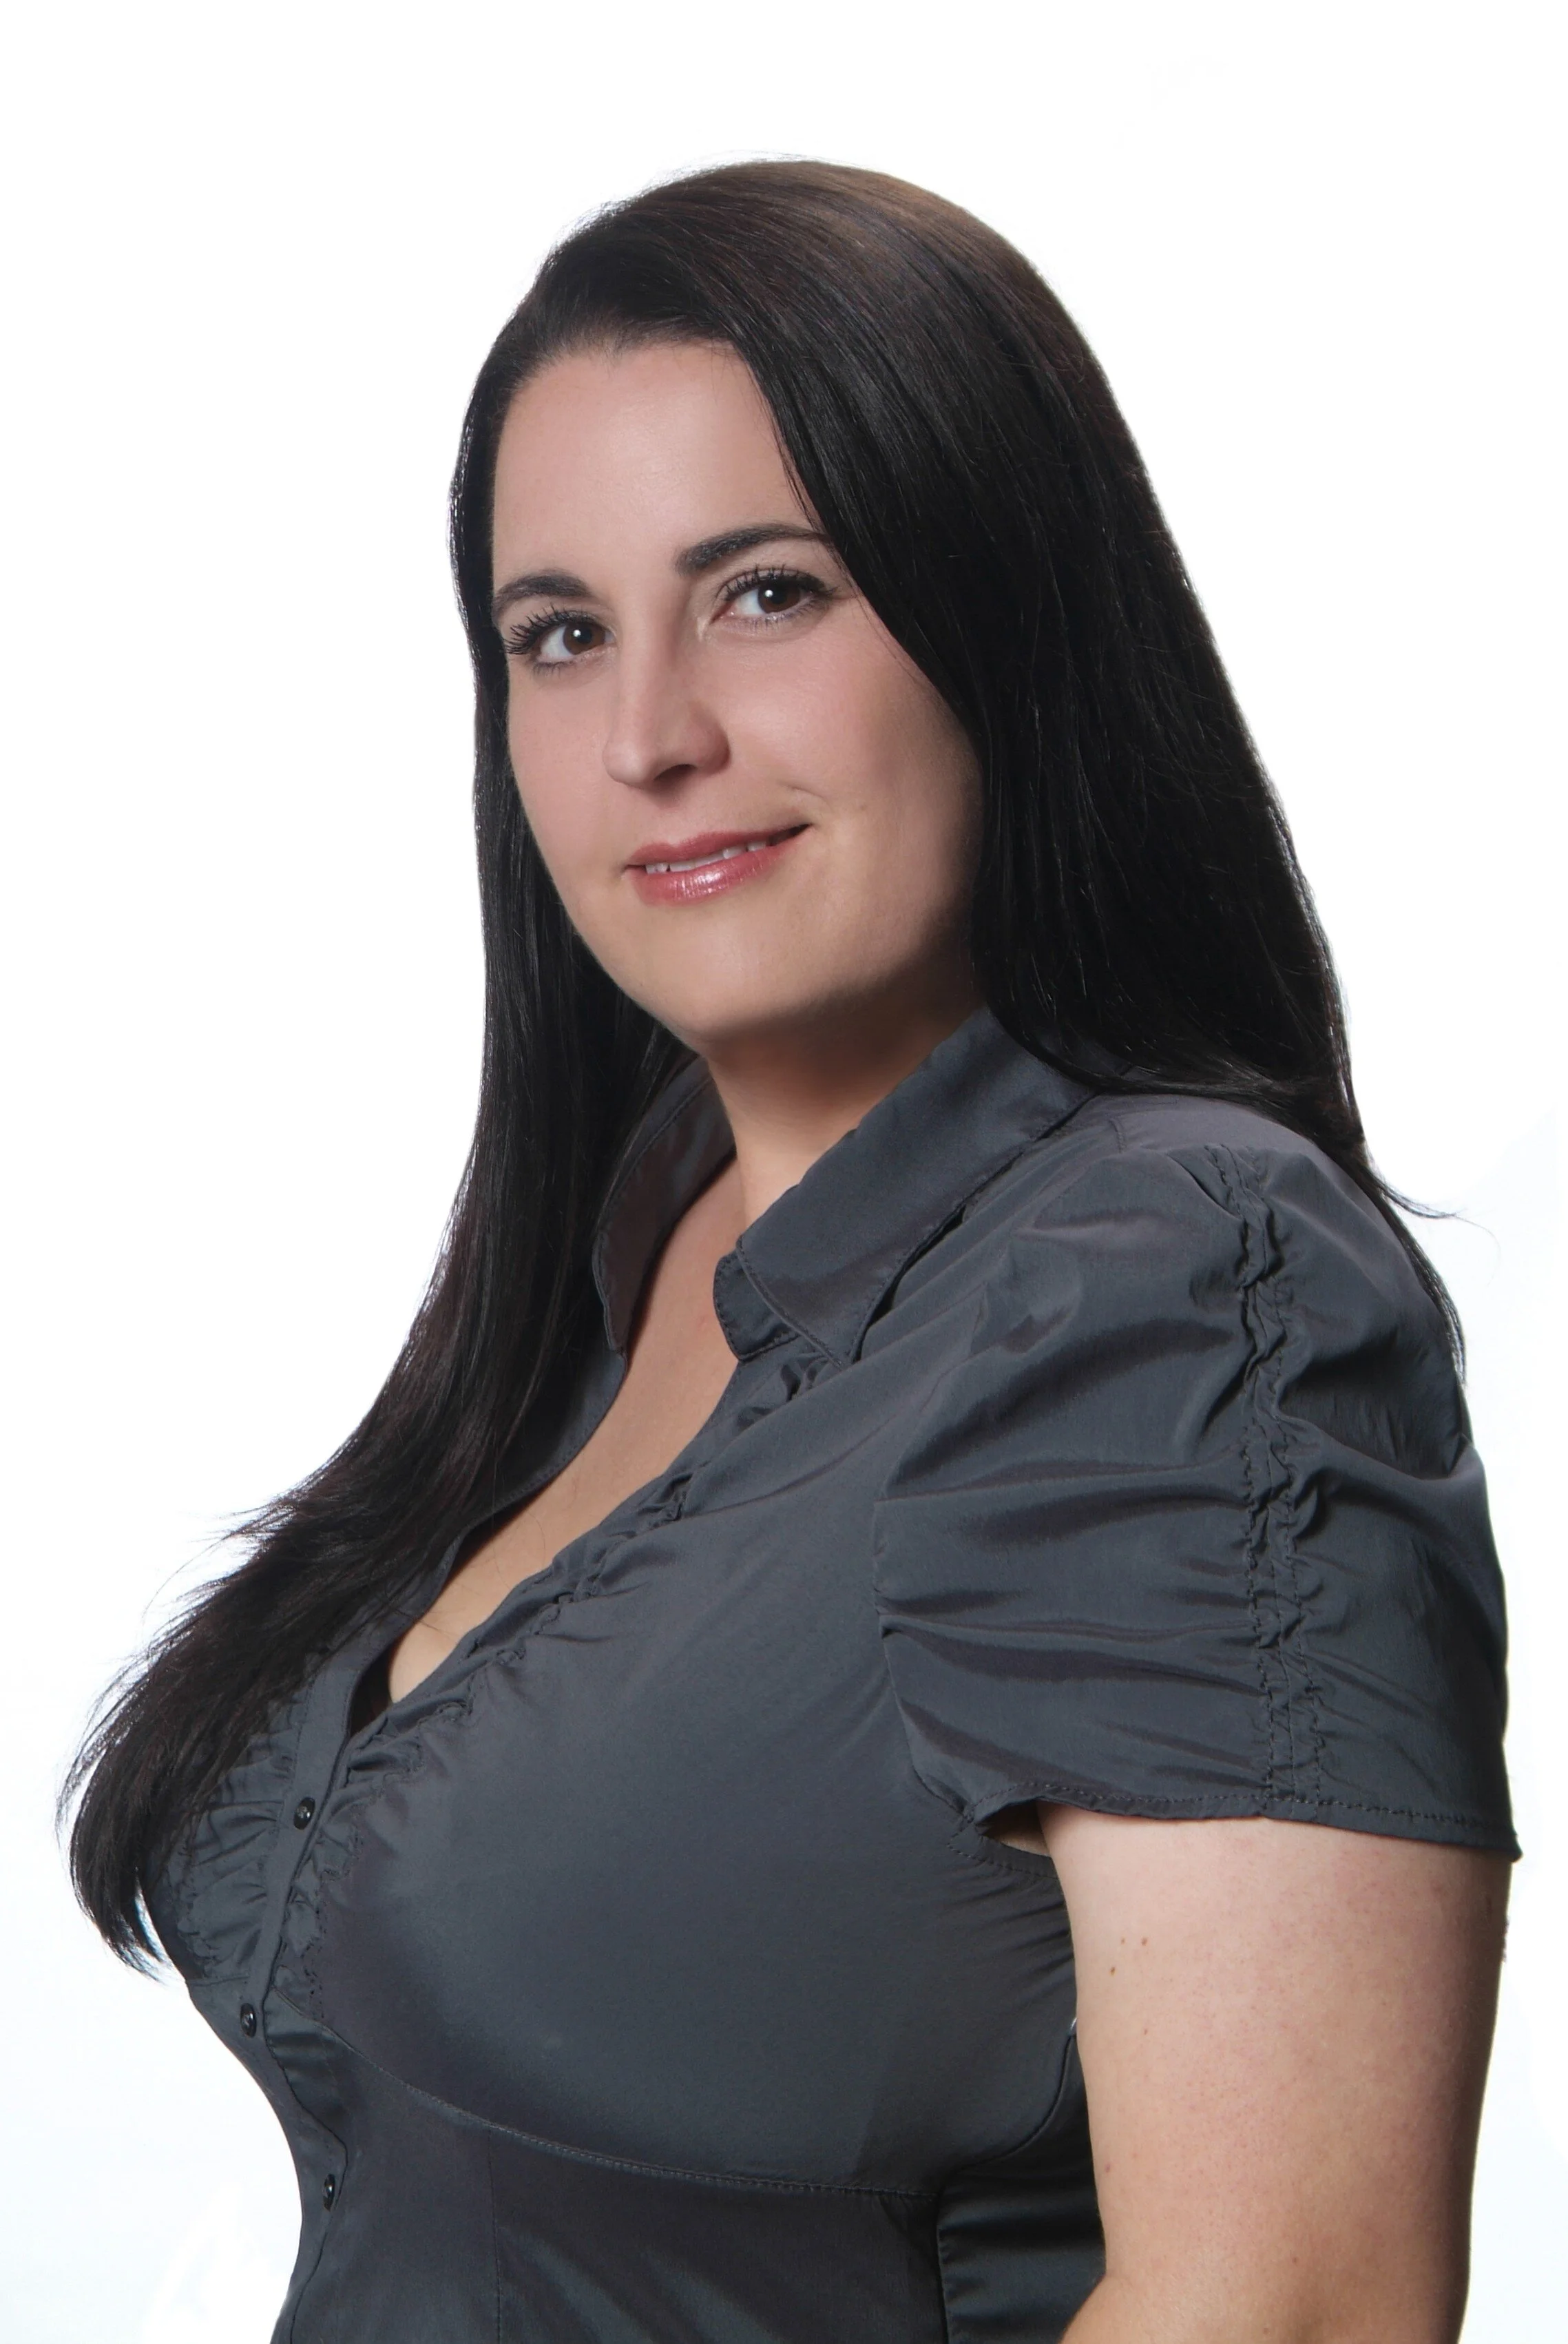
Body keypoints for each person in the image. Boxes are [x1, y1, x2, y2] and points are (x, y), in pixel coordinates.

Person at [67, 162, 1514, 2344]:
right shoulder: (617, 1265)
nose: (648, 732)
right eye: (558, 634)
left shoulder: (1177, 1284)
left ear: (1003, 622)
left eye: (763, 595)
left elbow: (1288, 2305)